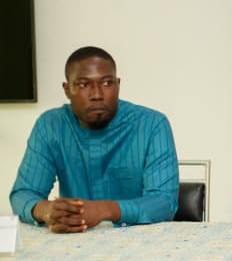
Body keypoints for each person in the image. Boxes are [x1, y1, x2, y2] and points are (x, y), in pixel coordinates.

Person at [9, 46, 180, 232]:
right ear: (67, 89)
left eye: (107, 83)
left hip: (141, 241)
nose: (97, 95)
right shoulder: (50, 126)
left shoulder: (152, 125)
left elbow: (164, 202)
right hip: (73, 240)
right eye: (84, 85)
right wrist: (46, 210)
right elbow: (23, 193)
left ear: (118, 85)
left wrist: (106, 210)